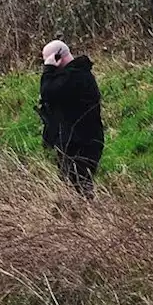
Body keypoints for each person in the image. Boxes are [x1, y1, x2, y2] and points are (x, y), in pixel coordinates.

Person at [38, 40, 104, 199]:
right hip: (75, 140)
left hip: (81, 142)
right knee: (72, 185)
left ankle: (86, 217)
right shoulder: (73, 75)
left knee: (79, 185)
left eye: (48, 60)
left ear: (57, 57)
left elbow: (47, 92)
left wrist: (48, 69)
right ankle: (79, 217)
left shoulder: (75, 77)